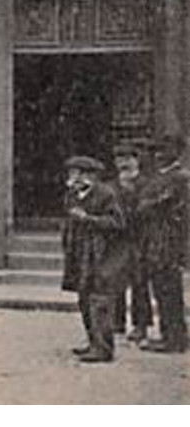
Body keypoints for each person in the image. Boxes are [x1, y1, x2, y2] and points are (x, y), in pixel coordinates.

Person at [61, 154, 129, 363]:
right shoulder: (72, 195)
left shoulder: (106, 194)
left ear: (90, 175)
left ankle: (103, 348)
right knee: (84, 299)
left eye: (78, 173)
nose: (74, 178)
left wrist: (88, 219)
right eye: (72, 173)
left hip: (102, 255)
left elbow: (117, 223)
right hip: (80, 255)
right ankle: (92, 342)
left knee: (100, 300)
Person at [136, 134, 187, 354]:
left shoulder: (181, 178)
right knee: (161, 289)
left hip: (169, 240)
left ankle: (173, 339)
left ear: (178, 151)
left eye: (165, 149)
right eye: (158, 150)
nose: (159, 154)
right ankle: (172, 334)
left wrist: (150, 205)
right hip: (154, 239)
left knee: (168, 290)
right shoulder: (159, 177)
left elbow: (166, 206)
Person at [111, 144, 151, 344]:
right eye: (119, 158)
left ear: (137, 160)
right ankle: (116, 321)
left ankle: (140, 325)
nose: (123, 163)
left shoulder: (146, 184)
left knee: (139, 284)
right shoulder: (111, 186)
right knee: (116, 281)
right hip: (117, 240)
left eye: (128, 158)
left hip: (138, 239)